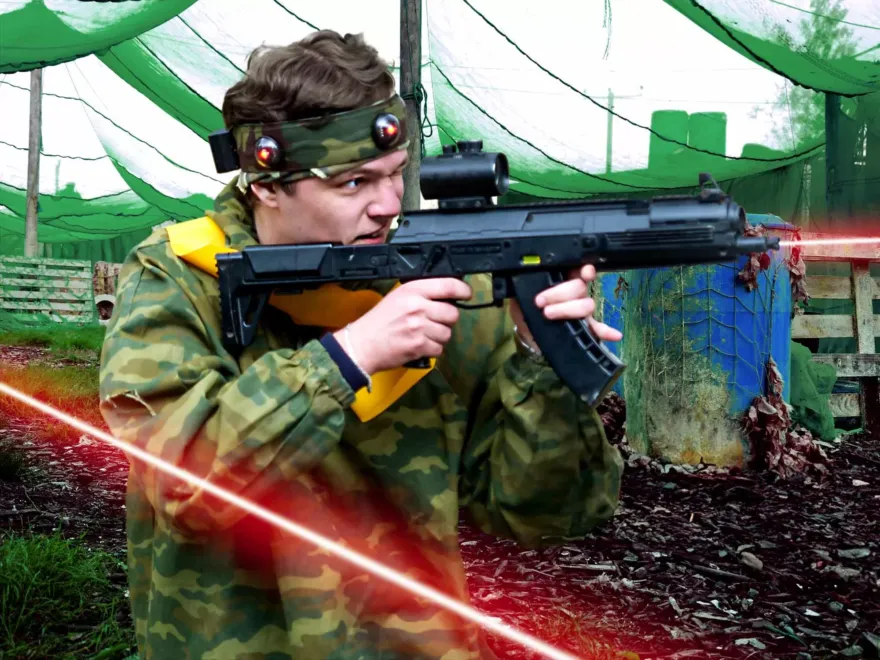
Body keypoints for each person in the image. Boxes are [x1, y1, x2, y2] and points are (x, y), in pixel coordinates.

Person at [99, 29, 624, 660]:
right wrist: (349, 357)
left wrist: (538, 361)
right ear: (266, 184)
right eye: (353, 183)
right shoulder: (176, 279)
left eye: (395, 176)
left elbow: (544, 517)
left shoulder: (443, 285)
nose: (387, 207)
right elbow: (181, 485)